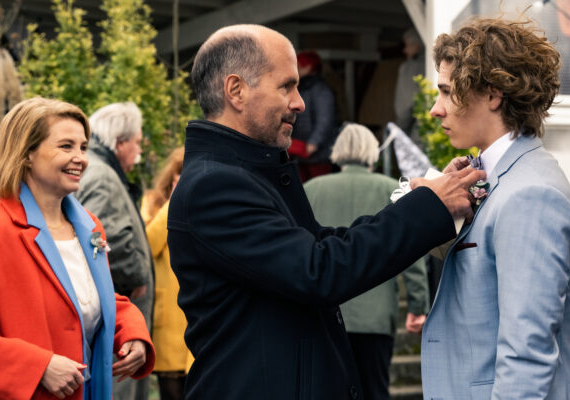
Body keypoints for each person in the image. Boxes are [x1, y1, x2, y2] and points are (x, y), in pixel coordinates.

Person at [167, 24, 485, 399]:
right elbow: (319, 270)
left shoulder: (243, 174)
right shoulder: (215, 185)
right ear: (236, 90)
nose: (299, 103)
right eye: (286, 86)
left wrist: (423, 199)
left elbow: (322, 245)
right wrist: (429, 205)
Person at [0, 97, 155, 400]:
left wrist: (131, 332)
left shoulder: (89, 226)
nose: (81, 158)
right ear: (27, 154)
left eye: (83, 147)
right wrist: (38, 367)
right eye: (66, 146)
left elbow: (87, 297)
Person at [420, 17, 570, 399]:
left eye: (447, 92)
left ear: (493, 95)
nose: (435, 109)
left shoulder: (532, 195)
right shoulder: (494, 178)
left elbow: (526, 359)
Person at [303, 123, 430, 400]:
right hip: (375, 316)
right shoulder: (391, 189)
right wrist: (418, 305)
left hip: (322, 315)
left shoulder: (310, 190)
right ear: (373, 151)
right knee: (375, 391)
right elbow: (411, 252)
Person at [74, 102, 155, 400]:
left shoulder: (95, 170)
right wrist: (135, 279)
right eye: (136, 142)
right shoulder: (103, 177)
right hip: (119, 316)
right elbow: (106, 238)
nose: (139, 151)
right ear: (120, 143)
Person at [140, 147, 193, 400]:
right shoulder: (152, 203)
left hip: (199, 320)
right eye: (180, 175)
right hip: (169, 322)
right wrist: (175, 202)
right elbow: (147, 247)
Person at [289, 51, 338, 182]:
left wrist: (314, 143)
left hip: (317, 153)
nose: (296, 69)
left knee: (320, 189)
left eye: (299, 66)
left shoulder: (320, 89)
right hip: (300, 151)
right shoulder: (300, 88)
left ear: (309, 67)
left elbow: (325, 119)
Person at [393, 28, 425, 143]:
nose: (404, 50)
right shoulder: (442, 64)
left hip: (418, 136)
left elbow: (404, 110)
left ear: (416, 46)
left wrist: (400, 133)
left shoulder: (409, 68)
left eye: (406, 46)